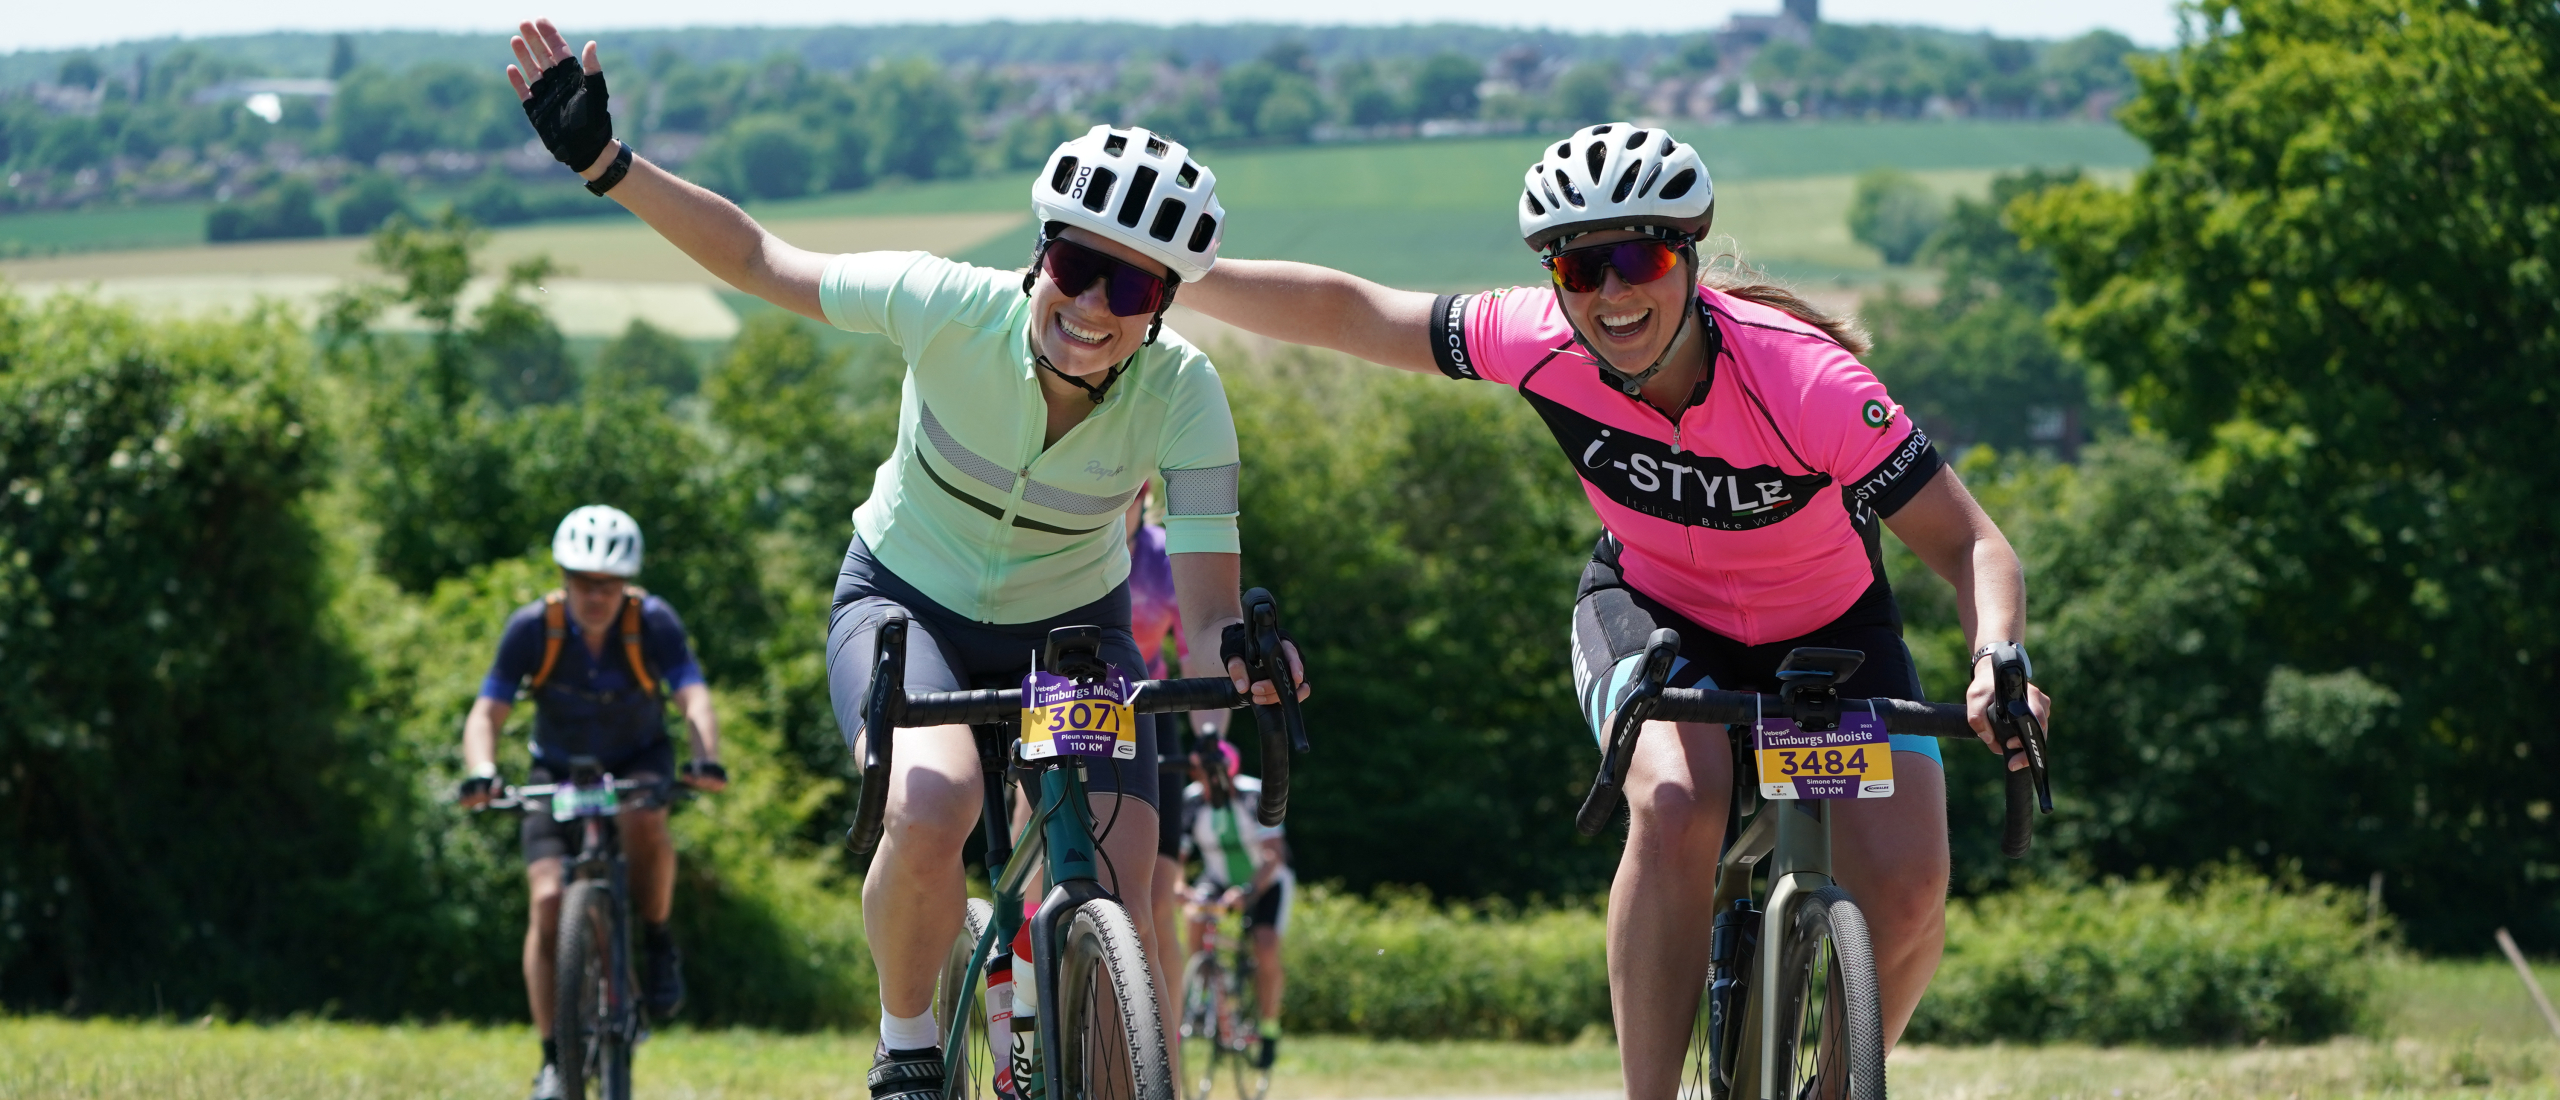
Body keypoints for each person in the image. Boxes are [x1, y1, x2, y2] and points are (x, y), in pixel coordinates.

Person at [498, 21, 1306, 1100]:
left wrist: (1241, 658)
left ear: (1163, 308)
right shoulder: (947, 308)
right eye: (1077, 267)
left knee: (1122, 887)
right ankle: (909, 1037)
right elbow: (758, 259)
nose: (1094, 308)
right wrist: (608, 165)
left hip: (1071, 632)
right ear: (1039, 255)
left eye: (1136, 290)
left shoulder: (1187, 394)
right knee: (934, 803)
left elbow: (1205, 608)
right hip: (901, 601)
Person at [1174, 123, 2053, 1098]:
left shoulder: (1804, 380)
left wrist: (1995, 656)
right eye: (1580, 268)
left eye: (1637, 256)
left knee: (1907, 888)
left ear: (1685, 255)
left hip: (1831, 639)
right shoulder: (1539, 341)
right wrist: (1178, 272)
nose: (1611, 293)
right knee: (1679, 797)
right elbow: (1359, 312)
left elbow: (1971, 542)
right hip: (1651, 616)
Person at [456, 504, 728, 1100]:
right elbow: (489, 711)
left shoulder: (653, 622)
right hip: (557, 771)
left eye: (607, 584)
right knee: (549, 901)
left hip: (638, 761)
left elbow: (692, 695)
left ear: (626, 584)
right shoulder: (533, 628)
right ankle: (555, 1058)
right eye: (583, 582)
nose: (595, 595)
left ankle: (657, 943)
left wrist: (704, 756)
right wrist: (481, 769)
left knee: (644, 820)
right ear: (564, 579)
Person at [1180, 737, 1291, 1069]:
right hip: (1217, 877)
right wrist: (1178, 887)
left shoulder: (1253, 794)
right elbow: (1178, 859)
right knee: (1193, 911)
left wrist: (1246, 891)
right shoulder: (1192, 800)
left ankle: (1269, 1028)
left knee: (1265, 945)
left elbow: (1273, 858)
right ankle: (1201, 991)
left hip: (1265, 880)